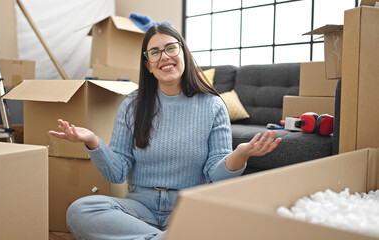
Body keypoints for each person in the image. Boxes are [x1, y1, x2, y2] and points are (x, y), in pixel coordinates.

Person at [48, 24, 281, 240]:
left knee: (235, 219)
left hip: (190, 207)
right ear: (148, 64)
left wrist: (240, 154)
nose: (165, 57)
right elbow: (117, 173)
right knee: (80, 211)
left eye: (171, 48)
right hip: (139, 208)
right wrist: (92, 141)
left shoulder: (212, 105)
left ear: (184, 54)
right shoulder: (132, 104)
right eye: (155, 52)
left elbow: (216, 174)